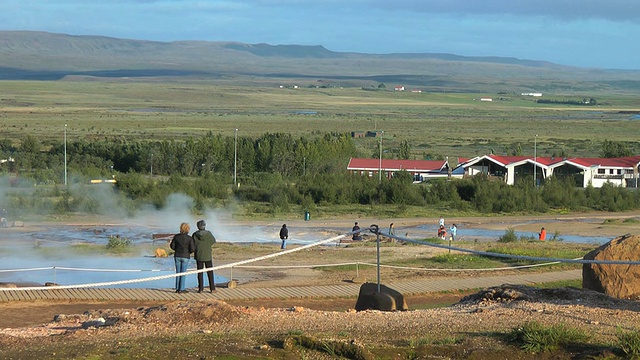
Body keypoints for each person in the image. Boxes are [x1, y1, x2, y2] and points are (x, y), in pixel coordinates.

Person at [192, 220, 217, 293]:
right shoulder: (208, 234)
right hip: (207, 255)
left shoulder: (194, 234)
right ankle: (212, 288)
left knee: (200, 272)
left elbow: (193, 244)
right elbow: (213, 241)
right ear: (204, 226)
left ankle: (200, 289)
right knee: (210, 272)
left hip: (199, 255)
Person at [170, 222, 195, 294]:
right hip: (185, 256)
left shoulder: (176, 237)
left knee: (178, 272)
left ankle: (177, 288)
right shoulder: (189, 238)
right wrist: (189, 252)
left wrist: (176, 250)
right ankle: (182, 288)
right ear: (188, 229)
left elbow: (172, 246)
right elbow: (192, 248)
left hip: (177, 255)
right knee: (183, 272)